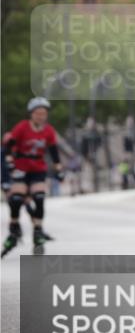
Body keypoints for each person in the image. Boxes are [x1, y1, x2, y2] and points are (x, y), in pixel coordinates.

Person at [2, 97, 63, 257]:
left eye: (44, 113)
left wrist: (58, 169)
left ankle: (38, 230)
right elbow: (9, 146)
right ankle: (14, 226)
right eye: (38, 113)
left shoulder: (48, 130)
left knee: (39, 198)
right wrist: (9, 162)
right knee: (16, 199)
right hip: (21, 167)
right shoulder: (22, 127)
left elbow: (54, 152)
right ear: (31, 114)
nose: (41, 116)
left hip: (38, 168)